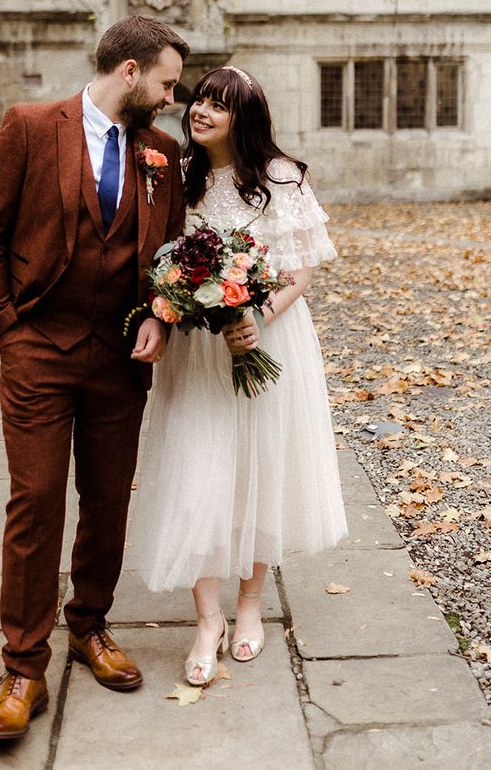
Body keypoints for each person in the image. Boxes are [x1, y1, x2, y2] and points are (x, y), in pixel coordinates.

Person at [0, 15, 189, 739]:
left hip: (119, 356)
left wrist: (162, 311)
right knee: (35, 501)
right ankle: (23, 667)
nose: (169, 97)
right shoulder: (31, 126)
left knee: (105, 501)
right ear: (129, 72)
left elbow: (171, 254)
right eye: (164, 82)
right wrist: (6, 325)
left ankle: (90, 625)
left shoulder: (161, 153)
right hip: (37, 349)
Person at [129, 66, 348, 685]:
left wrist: (254, 316)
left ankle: (249, 606)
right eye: (198, 99)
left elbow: (300, 270)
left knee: (258, 469)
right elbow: (163, 262)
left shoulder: (281, 179)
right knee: (199, 471)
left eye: (217, 106)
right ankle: (207, 619)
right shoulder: (180, 178)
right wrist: (174, 305)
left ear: (243, 118)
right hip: (198, 353)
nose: (200, 111)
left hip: (268, 341)